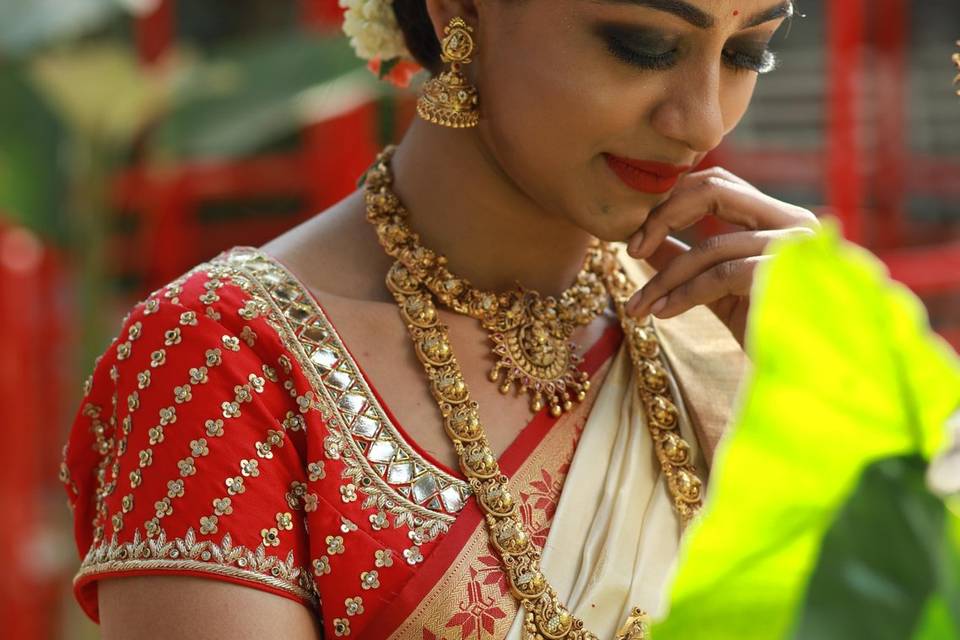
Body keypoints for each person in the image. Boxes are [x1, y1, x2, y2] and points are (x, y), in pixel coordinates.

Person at [59, 1, 821, 638]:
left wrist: (850, 394)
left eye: (749, 54)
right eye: (642, 45)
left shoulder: (732, 334)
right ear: (459, 11)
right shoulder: (225, 360)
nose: (704, 121)